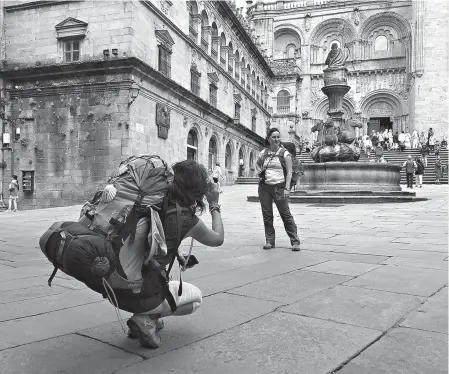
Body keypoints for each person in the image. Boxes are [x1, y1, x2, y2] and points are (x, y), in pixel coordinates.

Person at [125, 160, 224, 349]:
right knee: (195, 299)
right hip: (140, 288)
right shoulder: (187, 218)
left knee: (161, 277)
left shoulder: (154, 202)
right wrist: (214, 205)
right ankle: (146, 317)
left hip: (116, 283)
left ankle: (146, 315)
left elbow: (148, 237)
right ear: (196, 189)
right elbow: (217, 239)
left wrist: (175, 251)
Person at [256, 128, 301, 251]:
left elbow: (290, 171)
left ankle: (295, 241)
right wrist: (259, 171)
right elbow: (258, 164)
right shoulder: (263, 153)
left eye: (278, 137)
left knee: (285, 214)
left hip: (280, 187)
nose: (276, 139)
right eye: (273, 137)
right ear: (269, 138)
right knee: (267, 215)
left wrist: (287, 188)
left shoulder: (284, 153)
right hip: (264, 187)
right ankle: (269, 241)